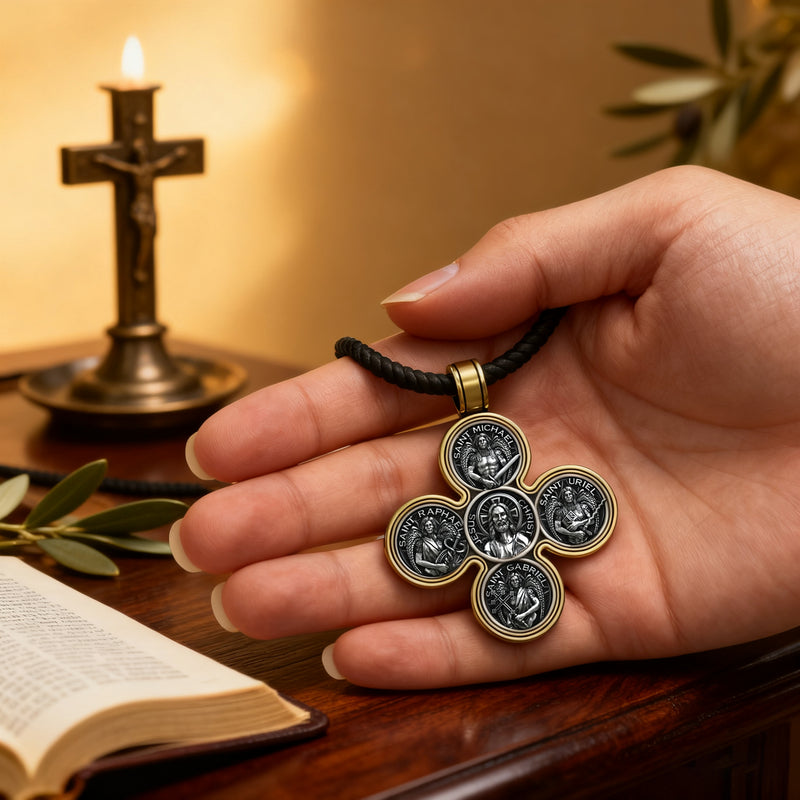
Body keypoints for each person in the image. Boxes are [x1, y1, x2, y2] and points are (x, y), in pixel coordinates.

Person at [170, 165, 800, 690]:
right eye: (498, 520)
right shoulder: (474, 516)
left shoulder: (541, 509)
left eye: (504, 520)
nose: (502, 521)